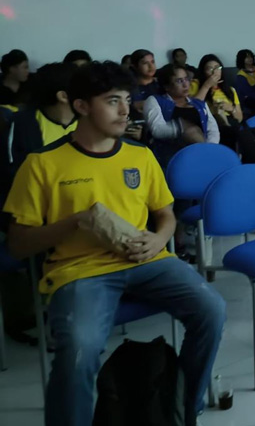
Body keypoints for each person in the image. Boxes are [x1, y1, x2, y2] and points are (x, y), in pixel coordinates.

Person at [3, 61, 226, 426]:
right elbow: (18, 245)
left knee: (211, 310)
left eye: (127, 99)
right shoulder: (42, 164)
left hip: (146, 259)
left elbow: (166, 214)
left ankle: (183, 406)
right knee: (78, 348)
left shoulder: (140, 156)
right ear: (81, 106)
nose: (126, 110)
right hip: (79, 271)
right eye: (112, 101)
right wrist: (75, 222)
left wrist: (159, 239)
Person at [6, 63, 78, 175]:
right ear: (63, 96)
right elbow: (14, 170)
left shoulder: (91, 121)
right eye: (82, 88)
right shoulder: (23, 123)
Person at [145, 63, 220, 166]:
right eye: (179, 81)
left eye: (186, 79)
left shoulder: (199, 103)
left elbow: (212, 129)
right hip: (172, 154)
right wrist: (181, 127)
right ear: (167, 86)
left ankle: (207, 158)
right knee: (191, 131)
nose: (185, 84)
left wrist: (210, 146)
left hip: (201, 150)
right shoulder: (155, 101)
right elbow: (156, 129)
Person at [190, 54, 242, 149]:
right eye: (210, 69)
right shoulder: (195, 85)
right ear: (203, 72)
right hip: (208, 123)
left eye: (217, 67)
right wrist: (207, 85)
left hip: (230, 123)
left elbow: (240, 117)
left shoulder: (230, 90)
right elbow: (193, 107)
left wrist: (231, 108)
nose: (215, 72)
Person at [129, 49, 161, 114]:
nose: (151, 66)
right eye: (145, 63)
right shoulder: (130, 88)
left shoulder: (161, 83)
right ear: (135, 66)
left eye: (152, 62)